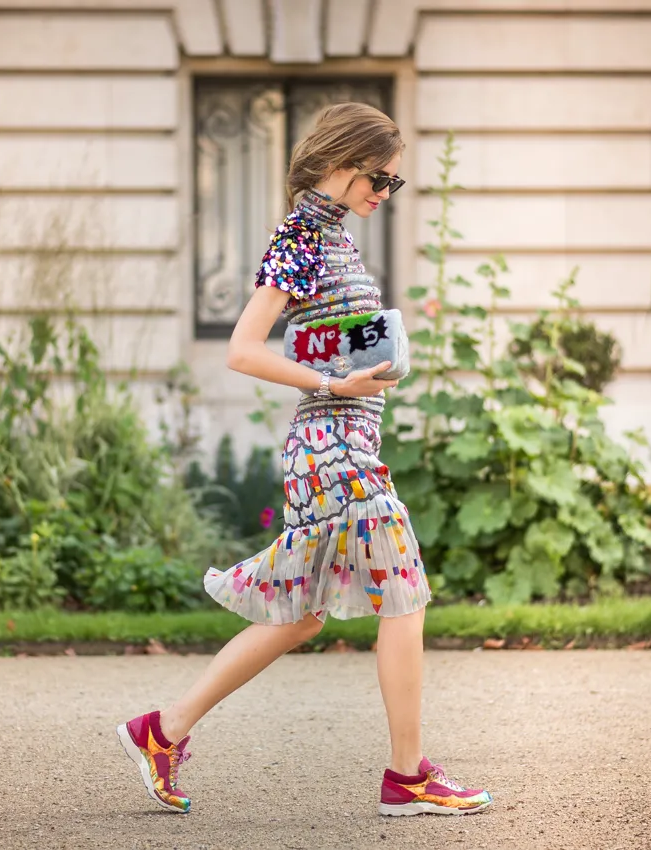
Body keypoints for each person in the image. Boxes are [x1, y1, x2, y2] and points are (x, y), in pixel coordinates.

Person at [116, 103, 492, 818]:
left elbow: (319, 339)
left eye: (396, 184)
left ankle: (160, 733)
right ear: (344, 163)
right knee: (404, 590)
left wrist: (362, 364)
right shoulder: (300, 239)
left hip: (341, 442)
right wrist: (333, 383)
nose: (386, 193)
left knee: (301, 615)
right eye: (382, 179)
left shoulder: (332, 239)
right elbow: (243, 348)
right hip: (332, 447)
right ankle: (407, 778)